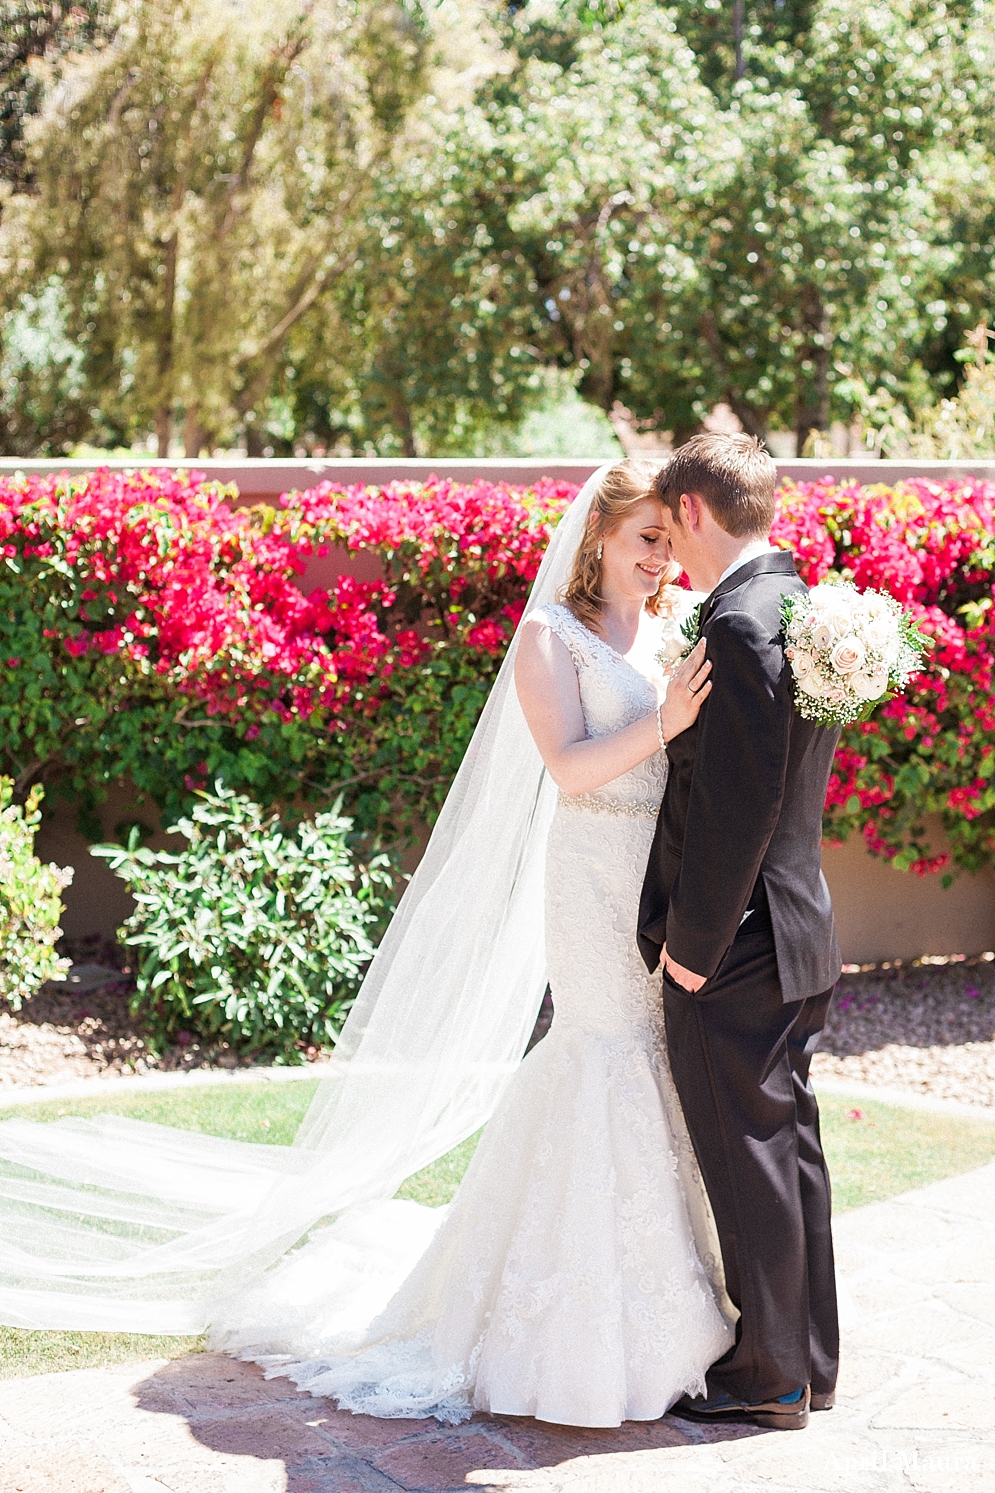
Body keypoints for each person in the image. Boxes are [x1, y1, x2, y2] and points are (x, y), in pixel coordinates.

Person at [238, 459, 733, 1426]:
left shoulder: (675, 628)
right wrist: (666, 719)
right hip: (592, 877)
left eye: (667, 545)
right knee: (601, 1056)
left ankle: (680, 1310)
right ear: (597, 536)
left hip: (663, 880)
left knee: (658, 1063)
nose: (658, 560)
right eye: (643, 540)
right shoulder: (551, 638)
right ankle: (581, 1328)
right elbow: (570, 767)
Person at [638, 433, 842, 1433]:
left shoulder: (739, 619)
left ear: (688, 511)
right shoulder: (801, 601)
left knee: (749, 1150)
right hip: (799, 918)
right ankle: (808, 1360)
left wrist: (693, 943)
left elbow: (738, 798)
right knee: (788, 1143)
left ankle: (766, 1374)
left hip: (740, 936)